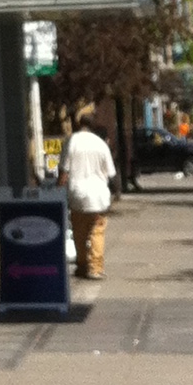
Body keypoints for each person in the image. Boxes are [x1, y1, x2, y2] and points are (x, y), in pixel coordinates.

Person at [61, 107, 118, 280]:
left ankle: (82, 264)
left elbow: (64, 172)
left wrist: (58, 190)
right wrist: (115, 192)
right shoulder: (101, 144)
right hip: (98, 196)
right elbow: (111, 174)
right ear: (93, 127)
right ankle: (95, 268)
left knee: (79, 232)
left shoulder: (71, 142)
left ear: (79, 125)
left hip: (77, 195)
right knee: (97, 232)